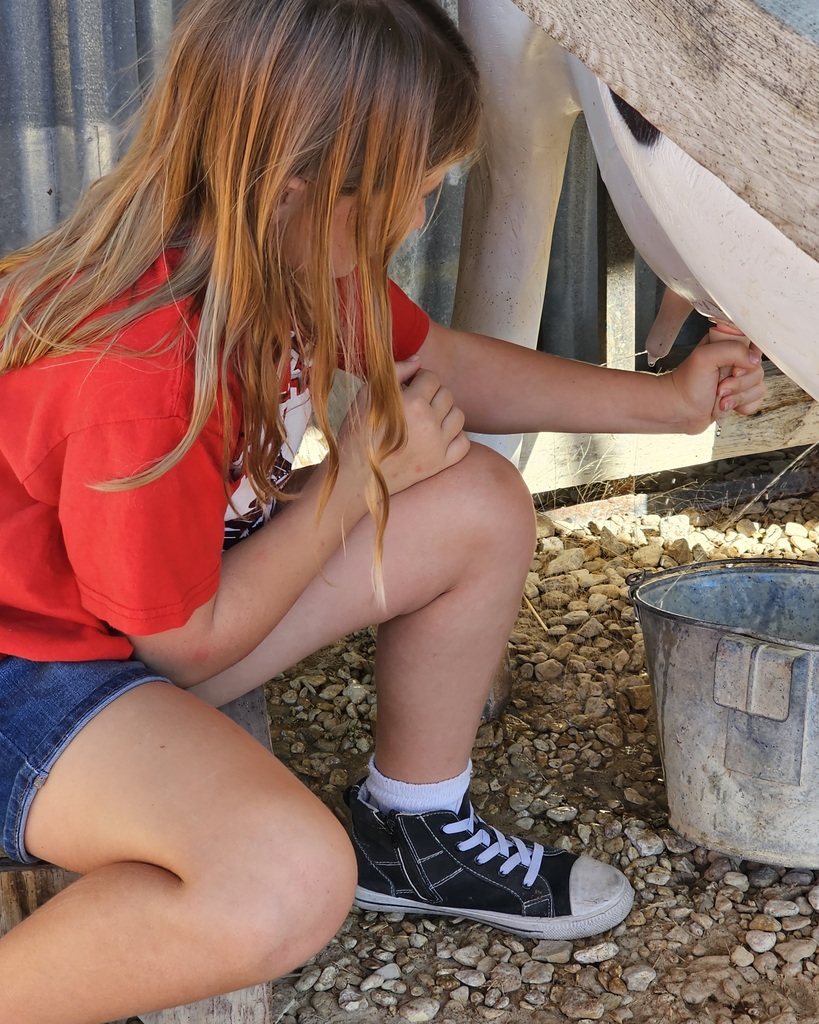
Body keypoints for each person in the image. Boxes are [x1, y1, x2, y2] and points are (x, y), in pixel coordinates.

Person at [0, 0, 766, 1020]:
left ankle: (412, 828)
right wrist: (355, 474)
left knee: (478, 501)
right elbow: (186, 646)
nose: (424, 213)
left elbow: (438, 362)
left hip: (140, 620)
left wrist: (669, 406)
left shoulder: (284, 258)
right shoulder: (130, 372)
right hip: (34, 678)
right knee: (284, 881)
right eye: (414, 187)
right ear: (292, 187)